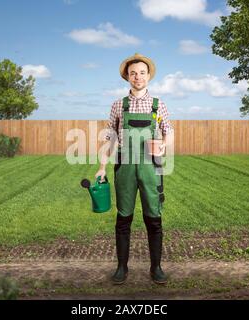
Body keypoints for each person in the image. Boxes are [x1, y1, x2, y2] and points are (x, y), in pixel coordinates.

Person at [95, 53, 174, 285]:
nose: (137, 77)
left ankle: (156, 267)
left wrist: (162, 145)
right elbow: (110, 137)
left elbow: (170, 132)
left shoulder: (158, 105)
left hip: (151, 168)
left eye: (142, 72)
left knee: (154, 219)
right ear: (127, 77)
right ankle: (121, 268)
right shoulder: (118, 105)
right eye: (133, 73)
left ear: (148, 76)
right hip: (125, 168)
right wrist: (102, 167)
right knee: (123, 219)